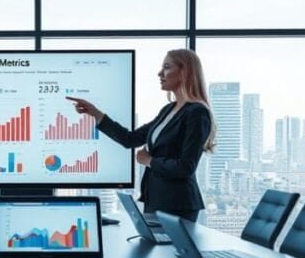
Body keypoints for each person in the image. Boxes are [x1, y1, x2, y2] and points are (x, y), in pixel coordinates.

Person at [66, 48, 215, 222]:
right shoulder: (168, 110)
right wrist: (95, 113)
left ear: (184, 72)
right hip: (155, 200)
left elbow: (186, 167)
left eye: (167, 67)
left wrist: (149, 161)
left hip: (177, 204)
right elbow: (130, 139)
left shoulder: (196, 113)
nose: (160, 73)